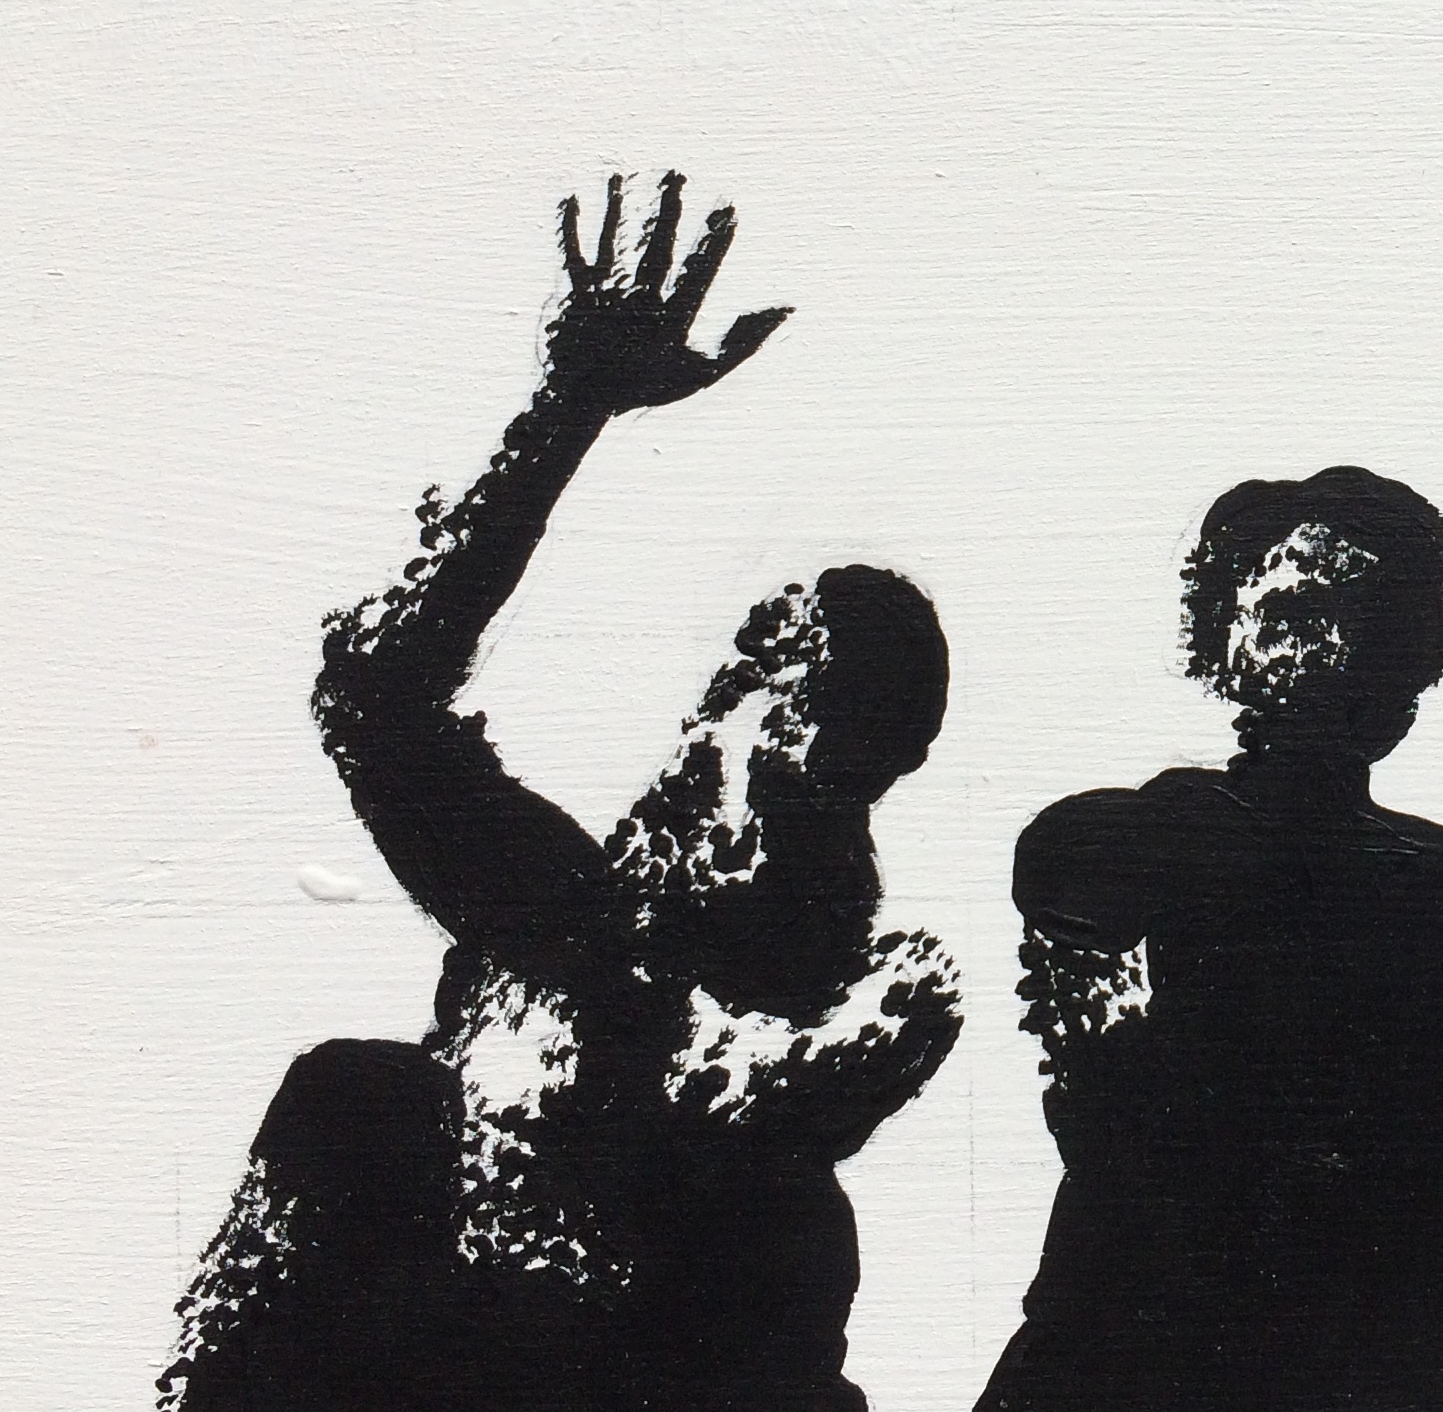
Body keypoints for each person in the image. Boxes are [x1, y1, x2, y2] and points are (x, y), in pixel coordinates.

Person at [161, 174, 961, 1412]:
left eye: (801, 729)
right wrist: (564, 411)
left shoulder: (765, 1194)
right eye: (745, 672)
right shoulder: (566, 929)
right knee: (359, 1099)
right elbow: (373, 696)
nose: (723, 735)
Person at [979, 467, 1443, 1412]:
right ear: (1222, 629)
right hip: (1161, 1338)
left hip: (1395, 1346)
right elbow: (1119, 1145)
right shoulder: (1109, 850)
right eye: (1291, 611)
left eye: (1364, 619)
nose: (1323, 647)